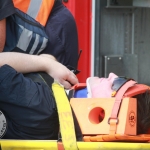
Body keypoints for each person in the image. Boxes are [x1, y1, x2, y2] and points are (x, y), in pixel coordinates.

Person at [0, 0, 79, 139]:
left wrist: (45, 63)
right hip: (29, 42)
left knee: (59, 122)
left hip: (49, 31)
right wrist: (44, 62)